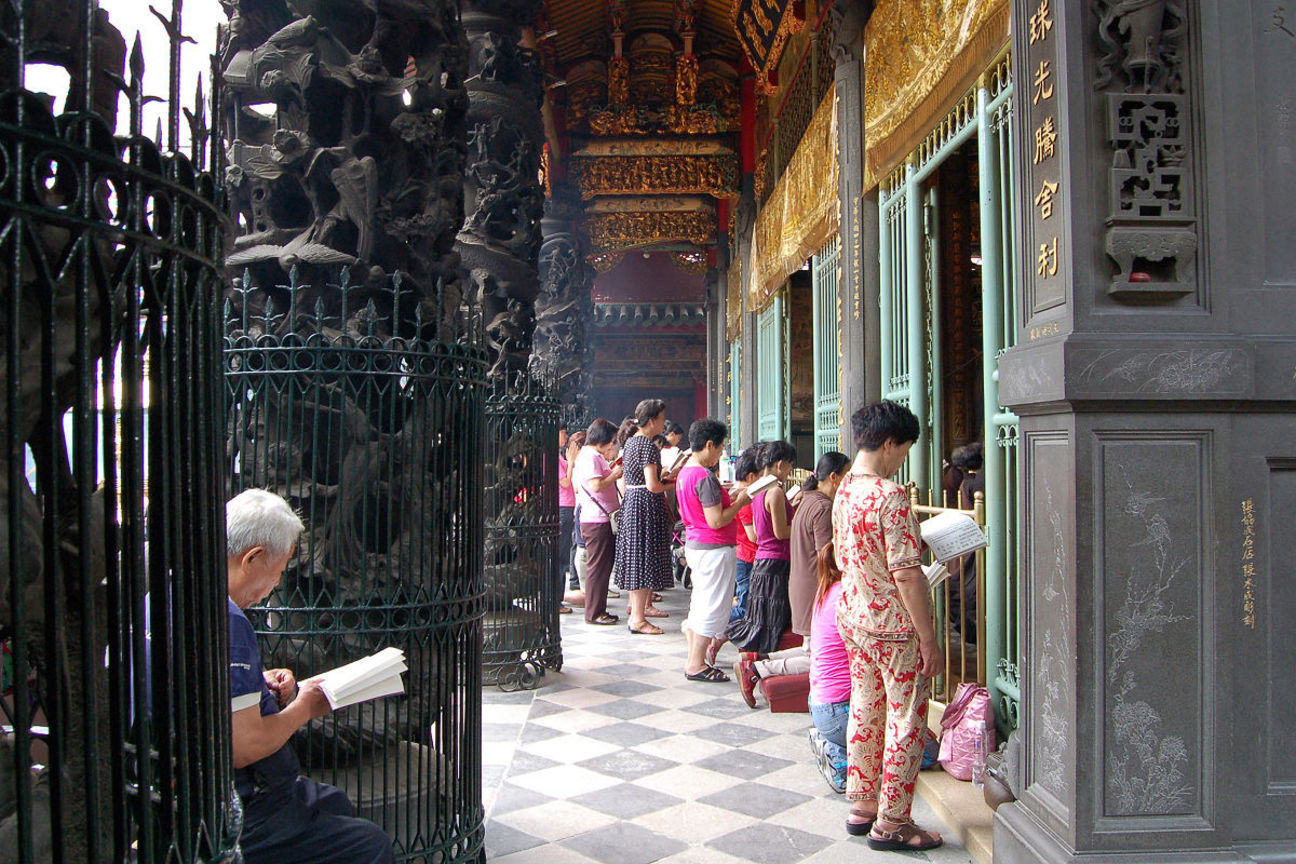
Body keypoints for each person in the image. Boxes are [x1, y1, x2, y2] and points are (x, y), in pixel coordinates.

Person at [225, 489, 393, 864]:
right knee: (370, 845)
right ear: (252, 558)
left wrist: (259, 683)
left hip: (229, 789)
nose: (273, 587)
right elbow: (245, 746)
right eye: (278, 572)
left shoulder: (173, 595)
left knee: (333, 802)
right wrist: (306, 707)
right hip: (242, 807)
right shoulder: (230, 622)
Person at [832, 401, 943, 851]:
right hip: (894, 627)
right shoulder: (889, 495)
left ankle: (863, 805)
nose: (901, 461)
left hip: (855, 616)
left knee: (866, 708)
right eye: (904, 450)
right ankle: (893, 822)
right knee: (905, 719)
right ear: (890, 443)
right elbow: (907, 574)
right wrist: (929, 640)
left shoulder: (844, 488)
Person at [734, 451, 850, 708]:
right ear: (834, 477)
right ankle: (758, 669)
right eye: (846, 475)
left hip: (797, 579)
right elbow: (825, 554)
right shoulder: (820, 506)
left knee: (810, 645)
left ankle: (758, 659)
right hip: (810, 584)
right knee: (816, 655)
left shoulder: (806, 499)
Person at [675, 418, 749, 682]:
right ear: (709, 445)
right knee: (711, 606)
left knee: (701, 602)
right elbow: (716, 520)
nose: (720, 454)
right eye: (719, 448)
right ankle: (696, 664)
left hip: (697, 544)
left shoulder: (685, 472)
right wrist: (740, 502)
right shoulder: (704, 477)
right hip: (713, 547)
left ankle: (696, 658)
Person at [725, 439, 796, 656]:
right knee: (773, 617)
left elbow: (758, 529)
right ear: (781, 464)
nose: (790, 472)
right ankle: (761, 662)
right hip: (776, 560)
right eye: (790, 466)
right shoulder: (775, 491)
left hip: (762, 560)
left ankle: (753, 658)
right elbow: (780, 532)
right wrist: (802, 525)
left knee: (760, 617)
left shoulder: (757, 490)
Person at [614, 399, 675, 634]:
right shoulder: (647, 446)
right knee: (643, 561)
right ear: (651, 421)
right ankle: (638, 619)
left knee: (636, 560)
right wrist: (673, 483)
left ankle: (636, 615)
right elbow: (652, 486)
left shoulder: (631, 442)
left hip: (633, 503)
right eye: (661, 419)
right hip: (645, 505)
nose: (663, 424)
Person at [808, 541, 850, 794]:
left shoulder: (827, 590)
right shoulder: (847, 596)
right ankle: (836, 747)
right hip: (839, 711)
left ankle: (835, 748)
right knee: (925, 753)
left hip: (821, 703)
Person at [572, 419, 623, 625]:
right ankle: (594, 613)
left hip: (599, 519)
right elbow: (596, 486)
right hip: (597, 520)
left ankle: (598, 610)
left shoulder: (592, 456)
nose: (613, 445)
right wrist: (615, 475)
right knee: (598, 568)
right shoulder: (590, 456)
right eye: (612, 440)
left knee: (602, 567)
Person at [729, 447, 762, 625]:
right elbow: (753, 536)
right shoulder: (746, 500)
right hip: (747, 556)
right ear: (751, 477)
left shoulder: (736, 493)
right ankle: (715, 626)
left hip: (742, 554)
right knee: (745, 608)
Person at [557, 430, 585, 613]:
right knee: (560, 557)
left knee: (562, 555)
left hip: (566, 506)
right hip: (562, 507)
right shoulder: (553, 457)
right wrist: (572, 460)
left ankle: (557, 599)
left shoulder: (558, 456)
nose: (565, 437)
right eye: (563, 433)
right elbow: (566, 482)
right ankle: (556, 601)